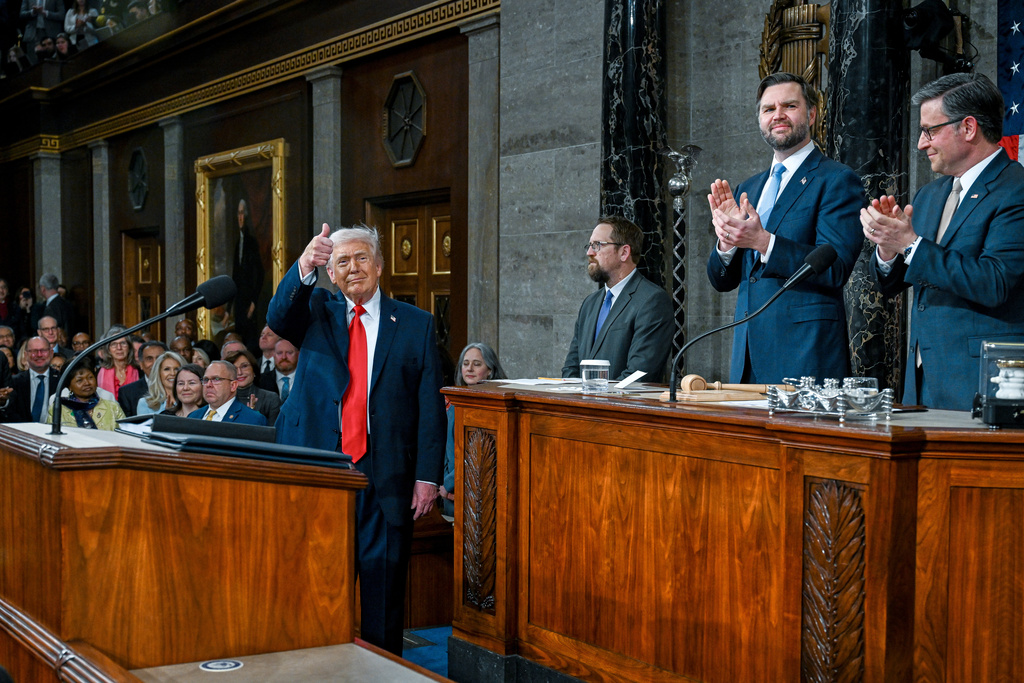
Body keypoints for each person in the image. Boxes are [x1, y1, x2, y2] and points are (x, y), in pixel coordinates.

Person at [267, 222, 445, 655]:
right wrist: (305, 263)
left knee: (384, 600)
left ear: (380, 265)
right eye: (342, 261)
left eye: (361, 257)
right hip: (324, 472)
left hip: (386, 477)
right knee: (317, 591)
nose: (353, 268)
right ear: (332, 274)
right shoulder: (316, 312)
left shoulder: (416, 324)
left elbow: (428, 408)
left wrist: (426, 476)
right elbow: (277, 317)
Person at [861, 73, 1024, 411]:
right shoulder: (929, 195)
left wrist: (910, 244)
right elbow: (898, 281)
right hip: (921, 381)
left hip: (981, 380)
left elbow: (995, 282)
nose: (922, 144)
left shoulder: (1016, 190)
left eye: (930, 131)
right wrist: (888, 249)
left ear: (968, 128)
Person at [706, 72, 866, 384]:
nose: (777, 115)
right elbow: (722, 280)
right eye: (768, 109)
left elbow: (834, 268)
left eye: (789, 106)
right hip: (747, 357)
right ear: (759, 119)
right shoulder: (748, 188)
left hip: (806, 356)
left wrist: (764, 242)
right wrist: (728, 242)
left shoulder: (836, 180)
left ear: (811, 113)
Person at [561, 215, 674, 382]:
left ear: (624, 252)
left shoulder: (652, 301)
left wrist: (596, 400)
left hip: (623, 406)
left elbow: (639, 374)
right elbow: (571, 367)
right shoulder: (590, 303)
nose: (589, 252)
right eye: (590, 245)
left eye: (597, 245)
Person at [441, 343, 506, 517]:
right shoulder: (455, 402)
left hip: (478, 494)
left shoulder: (491, 406)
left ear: (490, 370)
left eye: (477, 364)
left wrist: (447, 485)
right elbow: (448, 450)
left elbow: (476, 455)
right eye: (465, 363)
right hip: (451, 494)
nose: (469, 368)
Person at [45, 360, 125, 430]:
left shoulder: (113, 408)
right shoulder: (58, 410)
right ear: (69, 386)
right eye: (80, 380)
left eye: (90, 377)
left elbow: (126, 437)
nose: (87, 383)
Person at [187, 360, 267, 425]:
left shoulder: (253, 419)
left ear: (233, 386)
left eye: (216, 379)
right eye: (206, 380)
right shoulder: (193, 417)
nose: (208, 385)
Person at [0, 336, 60, 422]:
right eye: (34, 351)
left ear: (51, 353)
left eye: (43, 351)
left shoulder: (62, 380)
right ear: (25, 355)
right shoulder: (14, 382)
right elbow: (9, 412)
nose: (39, 355)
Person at [232, 199, 265, 350]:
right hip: (238, 300)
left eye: (243, 214)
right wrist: (228, 310)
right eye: (239, 214)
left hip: (249, 300)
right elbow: (234, 276)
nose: (241, 218)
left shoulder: (251, 242)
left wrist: (253, 302)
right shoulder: (238, 241)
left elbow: (259, 274)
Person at [226, 348, 281, 425]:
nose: (239, 372)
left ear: (254, 370)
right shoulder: (223, 400)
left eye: (244, 366)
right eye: (234, 368)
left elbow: (273, 434)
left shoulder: (270, 399)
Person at [96, 326, 140, 400]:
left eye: (123, 343)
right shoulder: (99, 372)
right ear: (108, 349)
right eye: (114, 344)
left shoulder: (139, 370)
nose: (119, 348)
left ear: (129, 347)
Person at [136, 351, 185, 416]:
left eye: (177, 369)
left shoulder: (189, 400)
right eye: (167, 369)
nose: (173, 373)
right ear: (159, 373)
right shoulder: (145, 404)